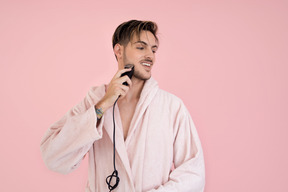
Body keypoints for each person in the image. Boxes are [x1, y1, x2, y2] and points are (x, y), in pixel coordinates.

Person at [40, 20, 205, 192]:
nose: (150, 56)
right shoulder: (95, 100)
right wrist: (102, 106)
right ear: (119, 50)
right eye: (141, 48)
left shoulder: (172, 107)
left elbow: (194, 175)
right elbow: (53, 157)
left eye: (153, 49)